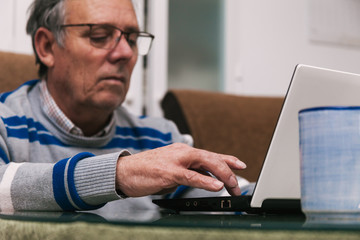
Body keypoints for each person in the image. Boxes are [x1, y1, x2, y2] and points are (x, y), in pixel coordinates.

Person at [0, 0, 246, 214]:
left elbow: (231, 201)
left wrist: (272, 192)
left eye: (132, 39)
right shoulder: (5, 123)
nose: (125, 52)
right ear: (46, 46)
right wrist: (119, 174)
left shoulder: (159, 138)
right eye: (99, 36)